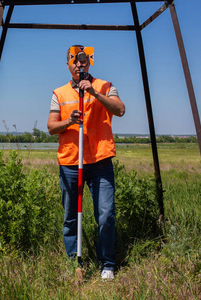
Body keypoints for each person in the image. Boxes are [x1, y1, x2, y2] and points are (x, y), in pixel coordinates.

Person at [47, 45, 125, 280]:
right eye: (75, 61)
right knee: (71, 216)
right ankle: (75, 263)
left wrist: (94, 93)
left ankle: (108, 264)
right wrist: (69, 121)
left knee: (105, 214)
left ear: (89, 62)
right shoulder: (59, 93)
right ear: (68, 64)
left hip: (99, 160)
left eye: (83, 61)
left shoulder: (105, 86)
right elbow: (51, 128)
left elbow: (120, 109)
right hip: (71, 162)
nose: (79, 65)